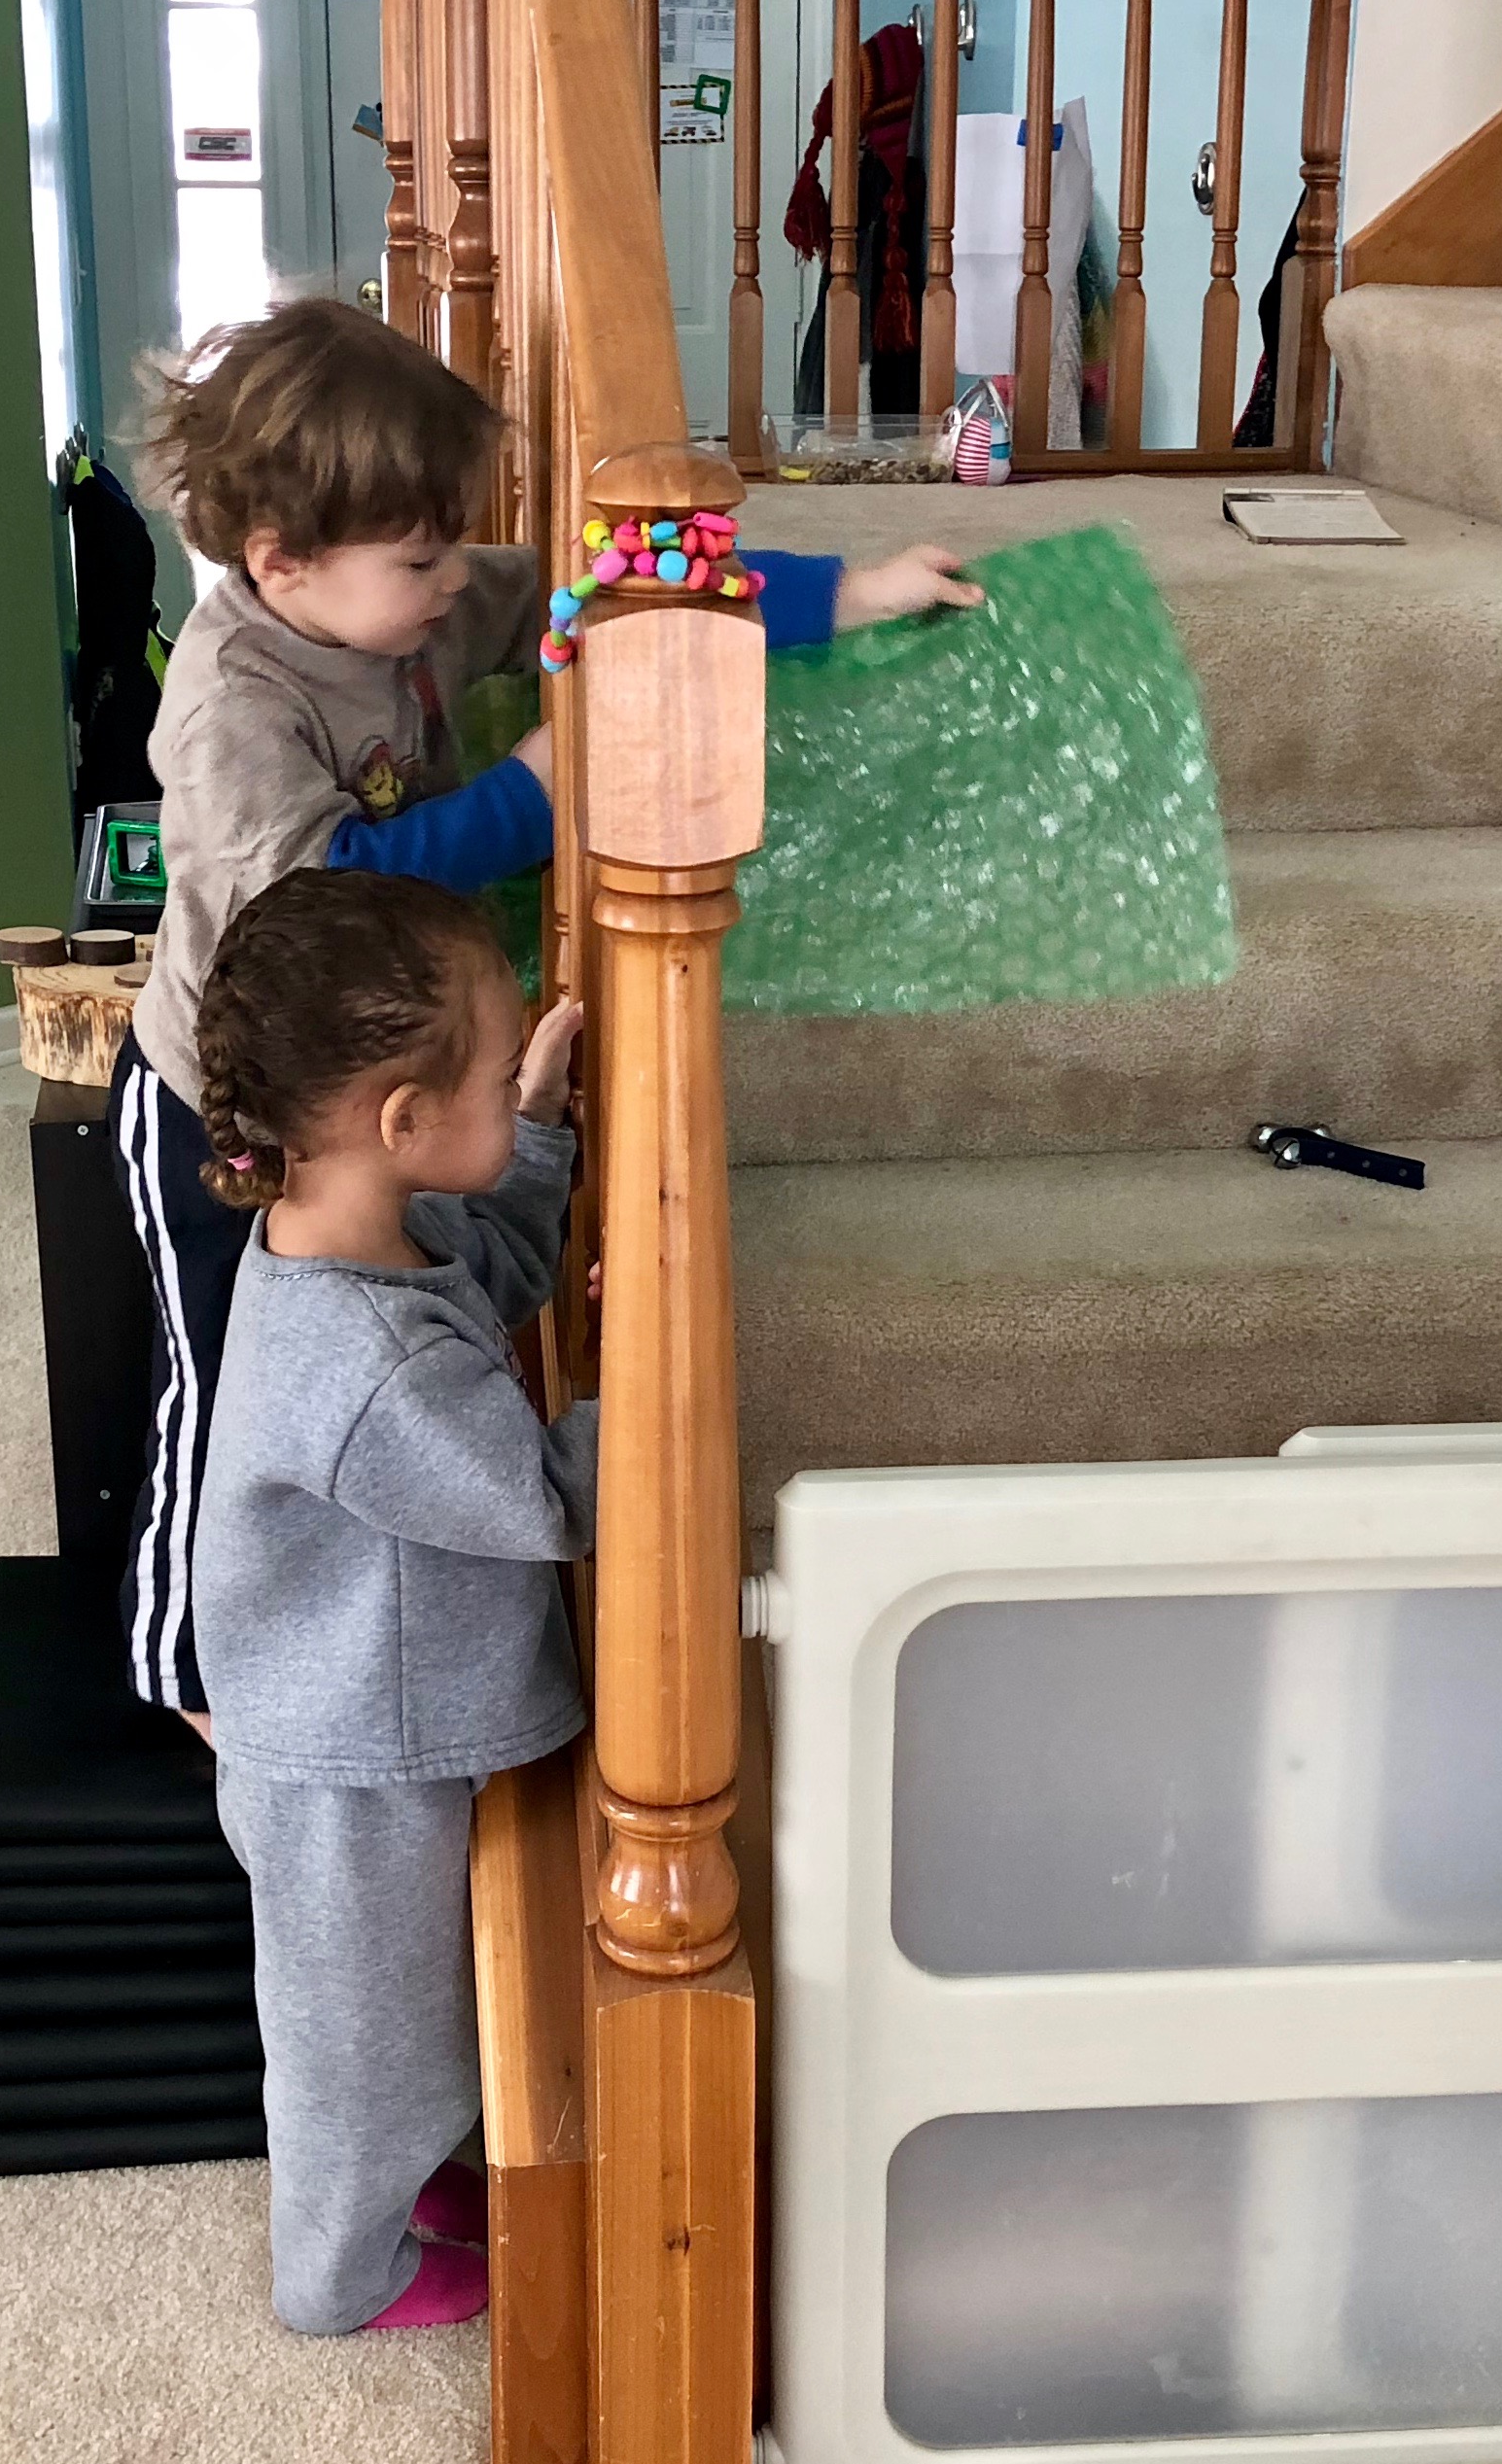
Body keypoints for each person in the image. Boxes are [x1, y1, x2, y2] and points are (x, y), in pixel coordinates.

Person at [115, 295, 974, 1726]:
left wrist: (853, 591)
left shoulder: (412, 594)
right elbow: (320, 889)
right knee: (222, 1371)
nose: (458, 581)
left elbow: (635, 592)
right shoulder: (234, 707)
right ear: (283, 564)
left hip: (376, 1068)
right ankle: (181, 1663)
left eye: (453, 546)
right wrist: (531, 793)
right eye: (420, 558)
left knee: (385, 1321)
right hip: (229, 1089)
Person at [189, 866, 591, 2332]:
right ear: (404, 1125)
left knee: (411, 2022)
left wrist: (533, 1121)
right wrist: (658, 1378)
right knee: (362, 2045)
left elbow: (508, 1260)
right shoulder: (371, 1372)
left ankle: (410, 2179)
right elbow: (545, 1500)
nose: (515, 1069)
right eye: (495, 1067)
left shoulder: (379, 1232)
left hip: (377, 1713)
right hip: (347, 1759)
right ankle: (337, 2275)